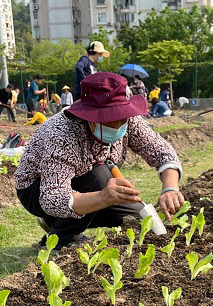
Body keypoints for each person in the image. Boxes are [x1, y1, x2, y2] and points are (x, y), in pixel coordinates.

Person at [14, 72, 185, 250]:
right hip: (37, 189)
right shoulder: (63, 134)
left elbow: (162, 152)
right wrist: (103, 197)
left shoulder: (129, 120)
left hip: (91, 184)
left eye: (121, 119)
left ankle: (55, 221)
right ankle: (62, 238)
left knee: (138, 217)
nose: (118, 126)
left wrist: (170, 188)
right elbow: (52, 197)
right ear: (90, 118)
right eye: (110, 121)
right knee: (99, 177)